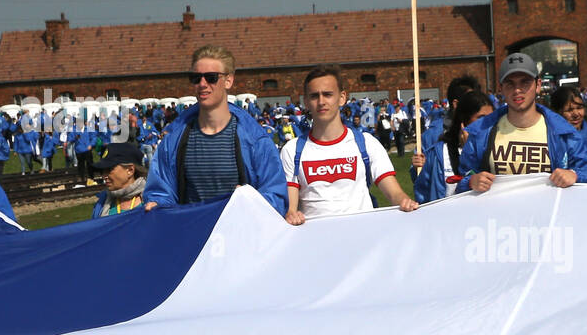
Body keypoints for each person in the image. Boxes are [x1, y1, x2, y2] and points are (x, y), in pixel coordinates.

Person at [143, 46, 287, 214]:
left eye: (211, 78)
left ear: (229, 80)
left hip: (241, 235)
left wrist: (251, 200)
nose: (202, 84)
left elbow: (276, 196)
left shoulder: (255, 140)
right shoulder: (173, 141)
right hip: (194, 235)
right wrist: (158, 204)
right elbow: (161, 192)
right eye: (196, 78)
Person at [280, 65, 417, 223]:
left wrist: (406, 202)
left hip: (363, 239)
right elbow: (290, 208)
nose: (321, 101)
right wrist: (291, 214)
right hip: (316, 242)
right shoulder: (292, 150)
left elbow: (394, 194)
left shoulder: (366, 143)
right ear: (306, 102)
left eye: (328, 94)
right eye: (314, 96)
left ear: (342, 98)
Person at [456, 52, 587, 193]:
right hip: (496, 214)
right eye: (510, 83)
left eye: (525, 82)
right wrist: (471, 181)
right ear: (501, 88)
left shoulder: (564, 132)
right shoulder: (481, 132)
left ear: (538, 85)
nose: (517, 90)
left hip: (548, 213)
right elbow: (463, 176)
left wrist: (574, 175)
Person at [413, 90, 493, 202]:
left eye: (492, 118)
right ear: (464, 121)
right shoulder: (439, 153)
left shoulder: (498, 150)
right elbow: (422, 191)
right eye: (481, 118)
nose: (488, 124)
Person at [551, 84, 587, 176]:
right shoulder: (551, 137)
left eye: (579, 108)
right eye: (569, 110)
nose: (576, 114)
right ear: (557, 112)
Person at [90, 141, 148, 218]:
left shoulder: (154, 201)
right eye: (102, 171)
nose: (104, 176)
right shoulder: (101, 204)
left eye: (109, 169)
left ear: (130, 170)